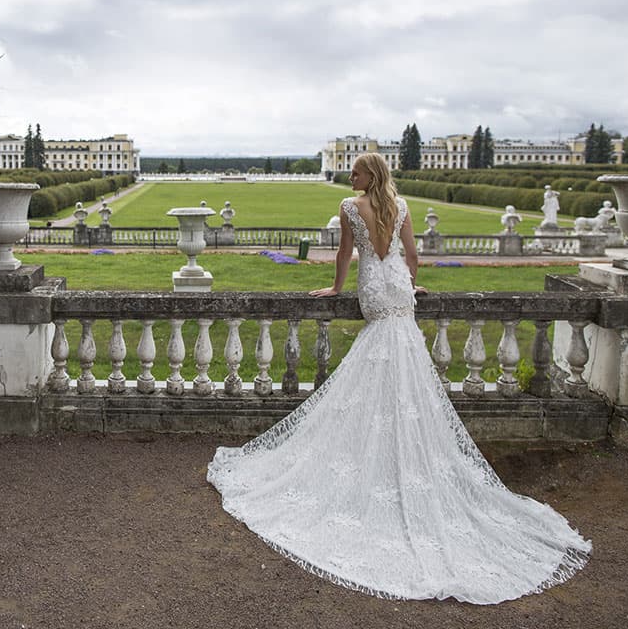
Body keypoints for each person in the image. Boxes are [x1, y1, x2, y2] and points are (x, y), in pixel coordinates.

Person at [207, 153, 590, 604]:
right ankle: (397, 449)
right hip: (399, 291)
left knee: (375, 362)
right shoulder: (402, 205)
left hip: (374, 291)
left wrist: (335, 289)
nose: (349, 177)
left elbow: (346, 253)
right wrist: (410, 284)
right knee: (405, 365)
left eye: (355, 172)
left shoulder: (351, 208)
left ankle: (375, 449)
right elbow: (411, 255)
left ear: (371, 176)